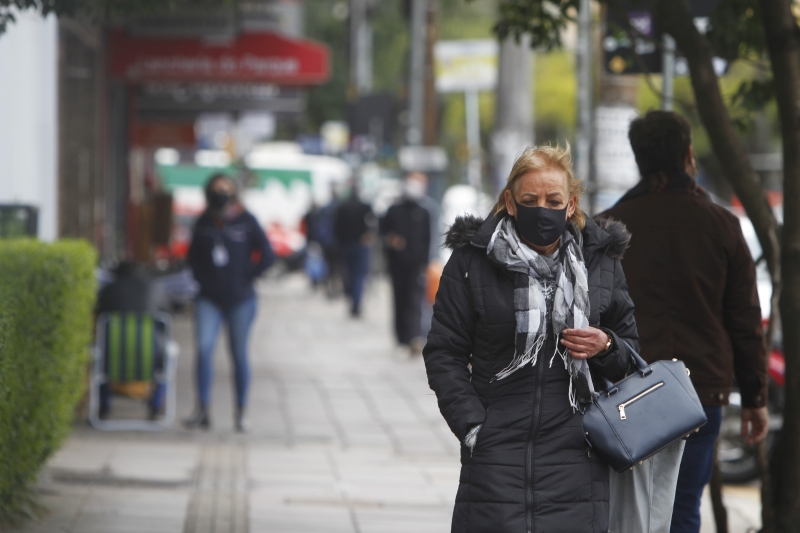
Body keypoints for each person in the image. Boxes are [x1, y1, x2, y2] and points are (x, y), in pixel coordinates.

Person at [423, 145, 638, 532]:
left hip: (579, 459)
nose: (542, 209)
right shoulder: (472, 262)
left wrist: (606, 345)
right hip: (495, 456)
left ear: (571, 205)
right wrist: (474, 428)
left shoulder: (600, 264)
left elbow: (630, 351)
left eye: (553, 200)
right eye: (529, 200)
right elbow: (444, 352)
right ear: (509, 201)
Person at [603, 110, 769, 532]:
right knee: (682, 508)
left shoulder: (607, 227)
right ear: (689, 155)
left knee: (626, 511)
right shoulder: (722, 226)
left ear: (638, 158)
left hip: (625, 391)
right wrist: (754, 398)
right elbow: (745, 320)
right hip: (700, 391)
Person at [185, 174, 275, 432]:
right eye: (216, 189)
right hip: (209, 299)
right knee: (203, 349)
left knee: (239, 355)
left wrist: (247, 275)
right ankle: (202, 408)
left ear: (234, 192)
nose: (221, 194)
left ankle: (241, 410)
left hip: (240, 300)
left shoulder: (246, 221)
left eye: (226, 189)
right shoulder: (202, 222)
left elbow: (268, 254)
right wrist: (203, 282)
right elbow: (193, 259)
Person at [96, 260, 166, 419]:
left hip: (111, 358)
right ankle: (155, 404)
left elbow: (98, 316)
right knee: (167, 359)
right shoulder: (155, 289)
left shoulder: (108, 290)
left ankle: (104, 405)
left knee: (98, 353)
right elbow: (165, 322)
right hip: (150, 359)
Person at [382, 172, 432, 353]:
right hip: (397, 265)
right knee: (399, 301)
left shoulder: (424, 212)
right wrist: (391, 240)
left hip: (416, 266)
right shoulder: (394, 210)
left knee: (415, 301)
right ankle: (401, 337)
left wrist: (425, 264)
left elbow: (426, 240)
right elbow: (383, 232)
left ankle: (414, 337)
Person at [334, 184, 376, 317]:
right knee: (359, 276)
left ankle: (353, 302)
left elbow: (336, 227)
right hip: (359, 245)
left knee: (350, 275)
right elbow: (374, 223)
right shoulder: (364, 207)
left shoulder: (342, 207)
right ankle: (356, 304)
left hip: (347, 246)